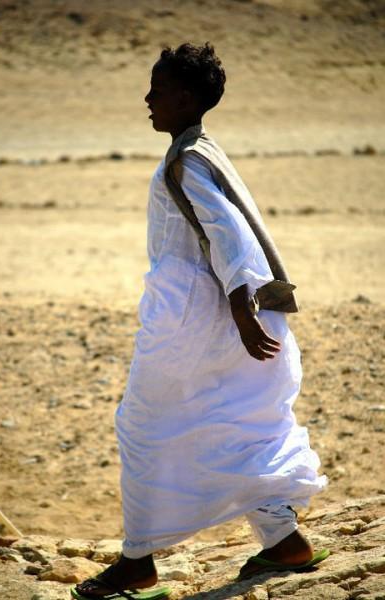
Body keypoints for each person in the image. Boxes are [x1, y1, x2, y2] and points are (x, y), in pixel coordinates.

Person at [73, 42, 328, 600]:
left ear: (186, 97)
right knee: (228, 420)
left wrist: (240, 309)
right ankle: (282, 540)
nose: (148, 100)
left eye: (157, 90)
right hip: (202, 314)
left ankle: (137, 565)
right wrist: (238, 310)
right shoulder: (202, 149)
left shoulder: (186, 160)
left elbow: (227, 233)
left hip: (190, 321)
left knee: (141, 428)